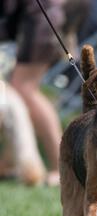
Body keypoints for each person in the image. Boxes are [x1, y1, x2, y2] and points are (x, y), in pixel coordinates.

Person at [0, 0, 90, 186]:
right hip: (39, 15)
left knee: (24, 89)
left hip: (42, 16)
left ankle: (63, 167)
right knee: (19, 91)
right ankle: (11, 164)